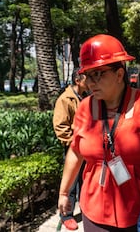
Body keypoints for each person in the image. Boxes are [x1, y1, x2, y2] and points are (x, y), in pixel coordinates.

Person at [57, 34, 140, 231]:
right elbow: (75, 151)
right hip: (94, 209)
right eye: (88, 75)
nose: (90, 82)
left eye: (98, 74)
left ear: (120, 74)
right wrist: (64, 193)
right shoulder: (84, 108)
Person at [53, 68, 90, 230]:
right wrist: (73, 143)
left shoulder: (88, 97)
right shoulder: (65, 99)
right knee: (71, 184)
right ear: (77, 80)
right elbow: (60, 127)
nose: (90, 82)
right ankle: (66, 215)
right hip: (73, 148)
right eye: (86, 79)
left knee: (86, 180)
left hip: (88, 147)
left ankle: (86, 209)